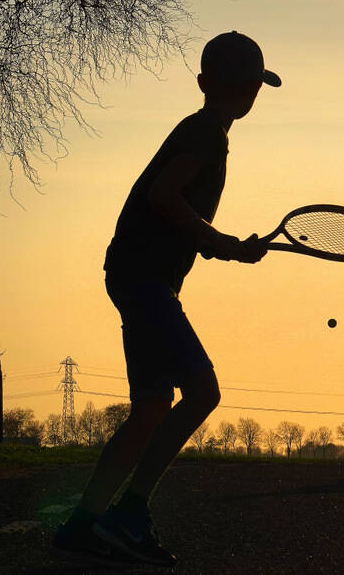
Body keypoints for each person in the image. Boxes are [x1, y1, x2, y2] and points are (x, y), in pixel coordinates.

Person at [52, 31, 279, 567]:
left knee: (152, 407)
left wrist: (225, 248)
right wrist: (222, 242)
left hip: (136, 275)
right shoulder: (208, 135)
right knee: (202, 391)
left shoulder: (201, 130)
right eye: (249, 86)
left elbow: (176, 217)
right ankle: (128, 515)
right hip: (146, 280)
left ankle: (82, 526)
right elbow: (162, 196)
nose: (247, 95)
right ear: (248, 90)